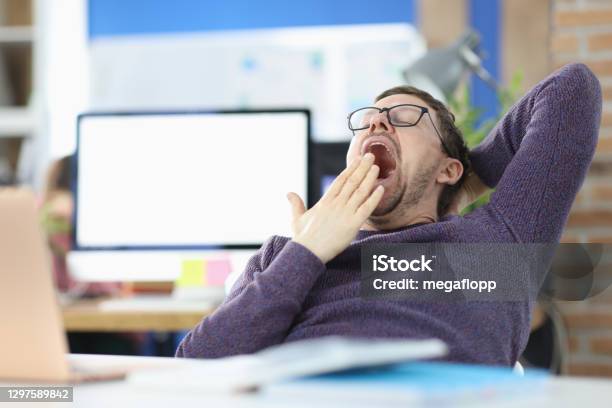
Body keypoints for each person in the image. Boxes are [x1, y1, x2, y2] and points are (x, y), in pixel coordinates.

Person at [175, 63, 601, 366]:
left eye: (403, 117)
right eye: (368, 120)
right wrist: (308, 253)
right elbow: (195, 366)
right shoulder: (287, 255)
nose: (377, 124)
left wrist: (462, 185)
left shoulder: (496, 245)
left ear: (448, 167)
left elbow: (570, 90)